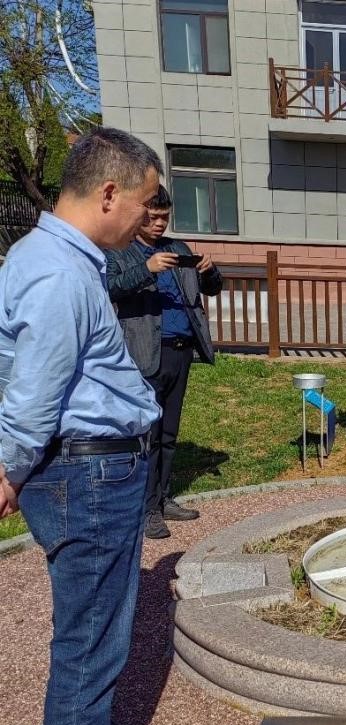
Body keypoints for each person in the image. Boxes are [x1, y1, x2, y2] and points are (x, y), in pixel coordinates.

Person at [0, 128, 171, 725]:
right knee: (90, 638)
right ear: (108, 193)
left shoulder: (55, 259)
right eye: (144, 201)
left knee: (99, 627)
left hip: (93, 467)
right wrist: (8, 469)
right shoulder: (59, 274)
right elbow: (32, 392)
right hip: (88, 472)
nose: (147, 216)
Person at [106, 185, 222, 540]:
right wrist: (147, 269)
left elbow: (212, 288)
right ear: (138, 214)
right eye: (153, 217)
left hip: (179, 351)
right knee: (148, 434)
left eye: (164, 217)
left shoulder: (178, 248)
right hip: (145, 353)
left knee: (169, 432)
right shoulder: (120, 250)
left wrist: (209, 271)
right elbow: (110, 287)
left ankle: (164, 496)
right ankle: (147, 509)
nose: (159, 224)